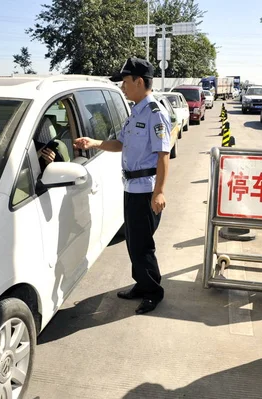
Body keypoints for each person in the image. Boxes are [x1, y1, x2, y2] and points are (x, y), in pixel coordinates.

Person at [74, 57, 171, 315]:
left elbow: (163, 156)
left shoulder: (155, 114)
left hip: (146, 190)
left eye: (126, 82)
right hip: (131, 187)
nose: (123, 87)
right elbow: (120, 144)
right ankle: (141, 283)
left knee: (142, 244)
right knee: (133, 242)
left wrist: (159, 191)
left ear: (139, 82)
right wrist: (94, 143)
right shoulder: (135, 112)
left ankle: (153, 292)